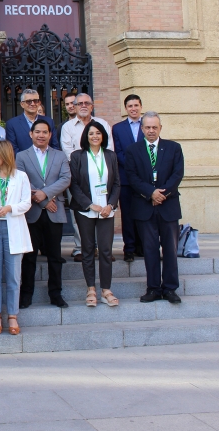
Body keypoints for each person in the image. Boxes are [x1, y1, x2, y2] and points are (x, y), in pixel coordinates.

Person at [125, 112, 184, 304]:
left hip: (168, 207)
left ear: (160, 128)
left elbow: (177, 174)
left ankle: (170, 289)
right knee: (149, 250)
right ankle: (153, 288)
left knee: (170, 250)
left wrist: (162, 194)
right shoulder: (132, 150)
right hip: (145, 207)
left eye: (154, 127)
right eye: (147, 127)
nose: (151, 130)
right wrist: (151, 193)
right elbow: (132, 177)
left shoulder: (174, 148)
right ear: (142, 129)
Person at [16, 119, 72, 308]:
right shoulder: (21, 156)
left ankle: (55, 294)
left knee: (55, 256)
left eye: (45, 132)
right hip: (31, 213)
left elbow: (66, 179)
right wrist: (45, 201)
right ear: (31, 134)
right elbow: (21, 181)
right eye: (37, 132)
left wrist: (45, 195)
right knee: (29, 258)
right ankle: (26, 294)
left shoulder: (60, 155)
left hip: (55, 214)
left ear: (50, 135)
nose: (41, 135)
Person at [69, 121, 121, 307]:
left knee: (106, 251)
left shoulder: (110, 156)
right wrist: (90, 204)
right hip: (86, 211)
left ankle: (106, 289)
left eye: (98, 133)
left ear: (103, 136)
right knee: (88, 249)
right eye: (91, 133)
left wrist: (110, 204)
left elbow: (116, 184)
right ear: (86, 136)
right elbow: (73, 184)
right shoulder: (77, 156)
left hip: (107, 210)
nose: (95, 136)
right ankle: (91, 288)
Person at [0, 140, 31, 335]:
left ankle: (12, 315)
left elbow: (26, 202)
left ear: (4, 155)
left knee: (13, 276)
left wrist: (10, 208)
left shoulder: (21, 177)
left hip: (13, 228)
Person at [60, 93, 113, 262]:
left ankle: (104, 248)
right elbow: (68, 151)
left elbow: (109, 149)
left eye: (87, 103)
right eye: (79, 103)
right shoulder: (68, 127)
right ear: (74, 107)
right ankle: (80, 248)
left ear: (91, 106)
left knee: (103, 210)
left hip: (101, 175)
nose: (83, 105)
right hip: (78, 176)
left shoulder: (103, 124)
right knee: (80, 211)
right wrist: (83, 166)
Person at [111, 94, 145, 262]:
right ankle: (129, 248)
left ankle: (143, 246)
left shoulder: (148, 125)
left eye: (136, 105)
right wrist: (133, 167)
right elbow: (118, 152)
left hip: (145, 179)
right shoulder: (118, 128)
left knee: (144, 214)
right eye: (130, 106)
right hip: (125, 179)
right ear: (126, 108)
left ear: (140, 107)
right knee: (128, 215)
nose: (133, 108)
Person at [5, 89, 60, 154]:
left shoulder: (49, 122)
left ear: (39, 103)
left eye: (35, 101)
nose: (32, 104)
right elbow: (12, 149)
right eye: (29, 101)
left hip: (47, 162)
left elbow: (55, 146)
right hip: (23, 163)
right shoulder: (12, 124)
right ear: (22, 104)